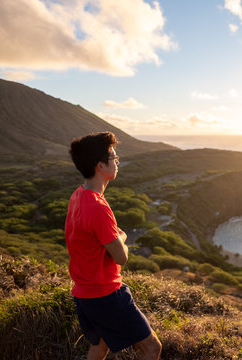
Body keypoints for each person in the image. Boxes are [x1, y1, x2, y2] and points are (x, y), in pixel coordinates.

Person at [65, 132, 161, 360]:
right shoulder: (98, 207)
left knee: (99, 348)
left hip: (84, 292)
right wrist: (123, 238)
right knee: (152, 348)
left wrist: (115, 237)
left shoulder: (78, 195)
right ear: (100, 165)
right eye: (114, 158)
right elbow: (121, 257)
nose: (117, 162)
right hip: (105, 293)